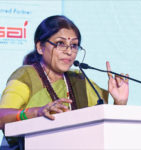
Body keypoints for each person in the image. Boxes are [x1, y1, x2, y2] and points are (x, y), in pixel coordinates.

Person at [0, 15, 129, 149]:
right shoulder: (26, 75)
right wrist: (36, 113)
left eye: (73, 45)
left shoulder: (79, 80)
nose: (69, 51)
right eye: (60, 43)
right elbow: (1, 117)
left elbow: (103, 123)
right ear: (40, 47)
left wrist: (119, 102)